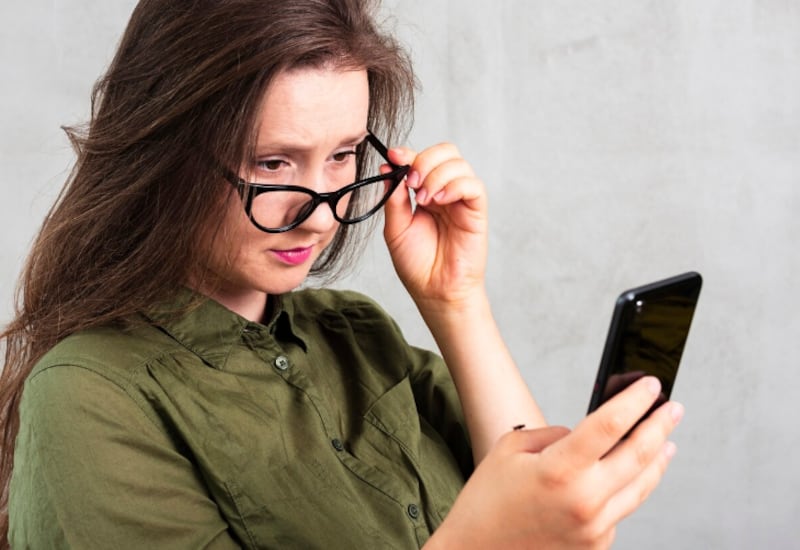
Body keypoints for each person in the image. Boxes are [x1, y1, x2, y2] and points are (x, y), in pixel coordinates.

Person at [0, 0, 683, 548]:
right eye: (273, 164)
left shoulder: (358, 332)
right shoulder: (88, 394)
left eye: (344, 156)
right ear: (164, 153)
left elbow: (546, 518)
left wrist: (458, 301)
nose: (320, 215)